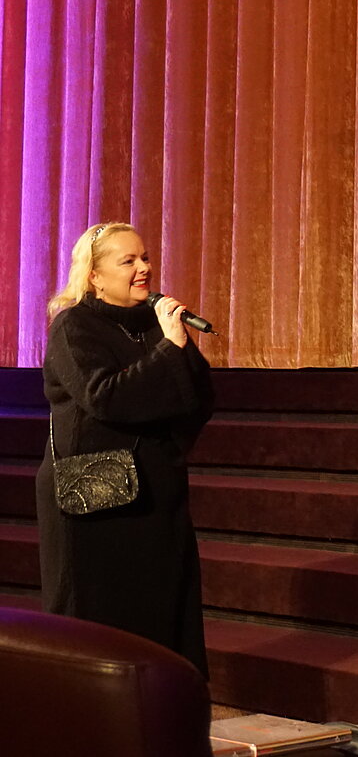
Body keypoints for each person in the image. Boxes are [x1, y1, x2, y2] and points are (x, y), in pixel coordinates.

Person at [38, 222, 214, 674]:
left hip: (157, 492)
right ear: (95, 275)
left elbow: (199, 399)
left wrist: (178, 346)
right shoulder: (74, 326)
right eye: (129, 261)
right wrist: (169, 351)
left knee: (163, 612)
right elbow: (104, 396)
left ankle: (162, 706)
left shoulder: (155, 323)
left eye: (146, 258)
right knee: (100, 619)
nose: (144, 268)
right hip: (98, 497)